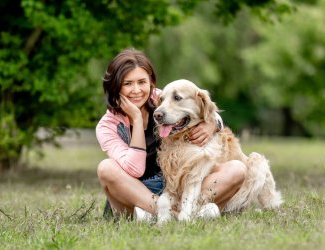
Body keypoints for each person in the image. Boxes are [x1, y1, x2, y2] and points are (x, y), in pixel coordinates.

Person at [96, 48, 246, 220]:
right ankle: (179, 214)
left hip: (173, 190)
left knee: (237, 169)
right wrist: (136, 120)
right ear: (115, 87)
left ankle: (172, 214)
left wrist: (211, 124)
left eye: (142, 82)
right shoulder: (107, 126)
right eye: (127, 83)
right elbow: (135, 170)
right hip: (135, 193)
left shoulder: (160, 99)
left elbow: (203, 108)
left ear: (150, 82)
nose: (136, 90)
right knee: (106, 168)